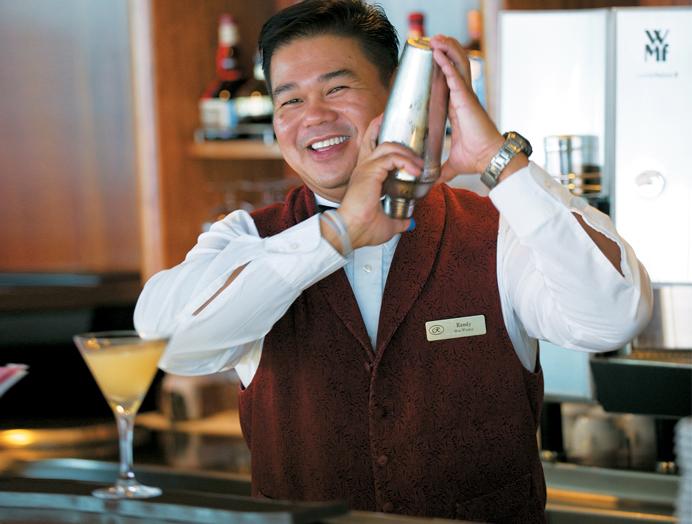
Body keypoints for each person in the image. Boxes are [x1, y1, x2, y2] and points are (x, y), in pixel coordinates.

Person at [134, 1, 653, 521]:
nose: (313, 116)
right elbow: (166, 343)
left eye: (337, 88)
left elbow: (613, 317)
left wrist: (497, 159)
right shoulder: (246, 239)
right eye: (289, 99)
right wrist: (335, 234)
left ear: (398, 96)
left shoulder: (497, 231)